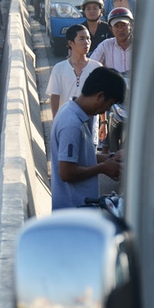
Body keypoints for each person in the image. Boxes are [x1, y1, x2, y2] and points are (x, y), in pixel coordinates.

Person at [50, 67, 125, 210]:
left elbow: (80, 157)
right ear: (100, 96)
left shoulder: (72, 112)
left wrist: (112, 157)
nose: (105, 110)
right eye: (108, 105)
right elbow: (67, 172)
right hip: (73, 212)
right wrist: (103, 168)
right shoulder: (71, 124)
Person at [46, 24, 102, 117]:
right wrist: (56, 120)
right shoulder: (59, 68)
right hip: (66, 119)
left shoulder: (97, 67)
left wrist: (103, 122)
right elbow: (55, 96)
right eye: (82, 39)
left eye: (88, 38)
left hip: (90, 122)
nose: (86, 42)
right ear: (71, 43)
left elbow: (100, 97)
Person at [90, 7, 133, 74]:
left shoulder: (142, 45)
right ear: (111, 28)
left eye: (124, 25)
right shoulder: (105, 45)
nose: (120, 29)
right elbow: (91, 67)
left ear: (131, 25)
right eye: (116, 26)